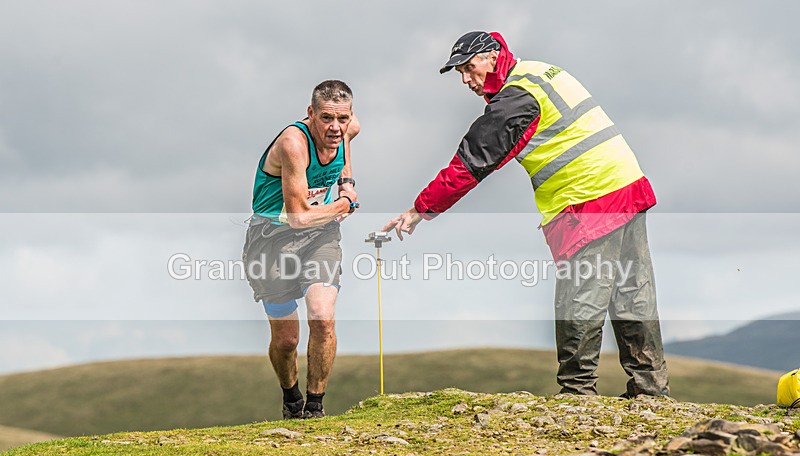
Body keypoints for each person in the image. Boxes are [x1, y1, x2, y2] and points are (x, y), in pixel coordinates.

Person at [383, 32, 669, 398]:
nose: (467, 80)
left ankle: (578, 393)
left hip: (588, 197)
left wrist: (421, 208)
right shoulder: (539, 71)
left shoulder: (515, 99)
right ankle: (650, 390)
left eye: (470, 69)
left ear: (491, 57)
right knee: (633, 290)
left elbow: (473, 162)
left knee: (579, 295)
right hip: (627, 183)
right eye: (460, 73)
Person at [244, 80, 360, 419]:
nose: (335, 127)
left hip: (320, 237)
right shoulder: (294, 144)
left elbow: (348, 139)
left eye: (342, 118)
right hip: (270, 241)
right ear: (311, 114)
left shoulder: (348, 127)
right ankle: (291, 399)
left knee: (322, 317)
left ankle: (315, 407)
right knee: (286, 341)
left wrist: (347, 180)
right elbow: (297, 217)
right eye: (326, 118)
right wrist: (344, 204)